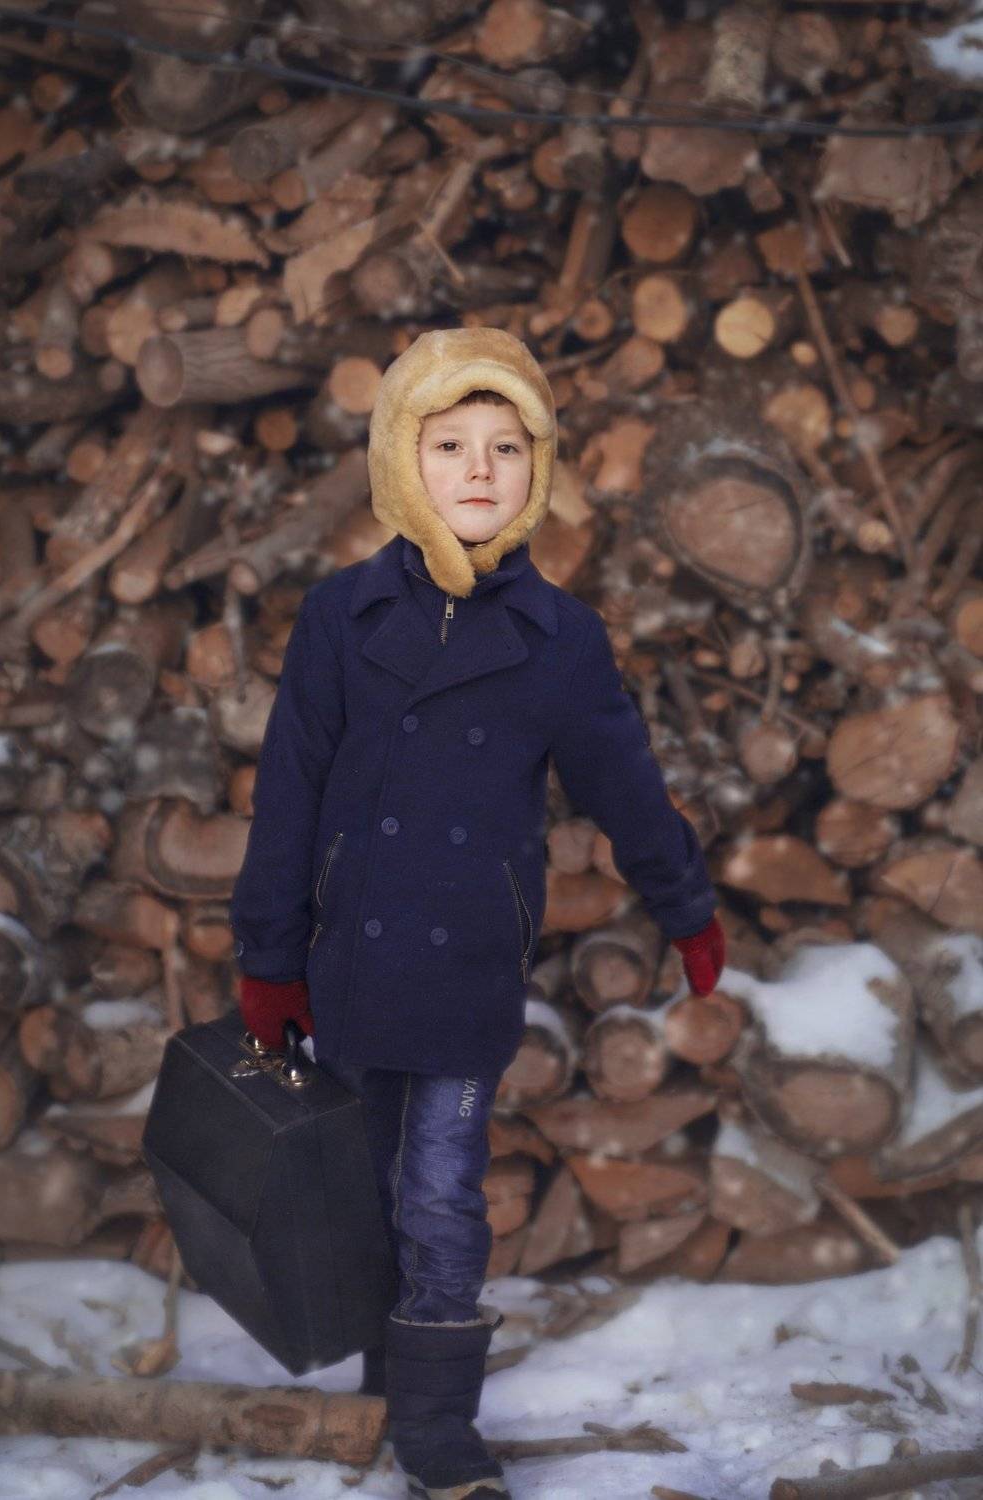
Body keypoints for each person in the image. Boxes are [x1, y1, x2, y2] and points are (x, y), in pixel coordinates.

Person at [230, 325, 725, 1499]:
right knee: (364, 1183)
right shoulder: (341, 617)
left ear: (536, 469)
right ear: (402, 461)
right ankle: (384, 1382)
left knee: (442, 1190)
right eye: (449, 443)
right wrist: (268, 956)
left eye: (507, 446)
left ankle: (438, 1430)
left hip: (465, 965)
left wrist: (685, 905)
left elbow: (625, 786)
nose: (479, 469)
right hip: (353, 961)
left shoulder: (560, 641)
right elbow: (290, 789)